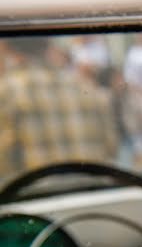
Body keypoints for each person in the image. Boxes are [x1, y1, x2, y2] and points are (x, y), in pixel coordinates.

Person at [0, 37, 119, 182]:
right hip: (93, 195)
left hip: (37, 198)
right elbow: (111, 149)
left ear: (5, 48)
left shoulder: (7, 92)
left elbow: (4, 163)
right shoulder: (86, 87)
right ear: (47, 46)